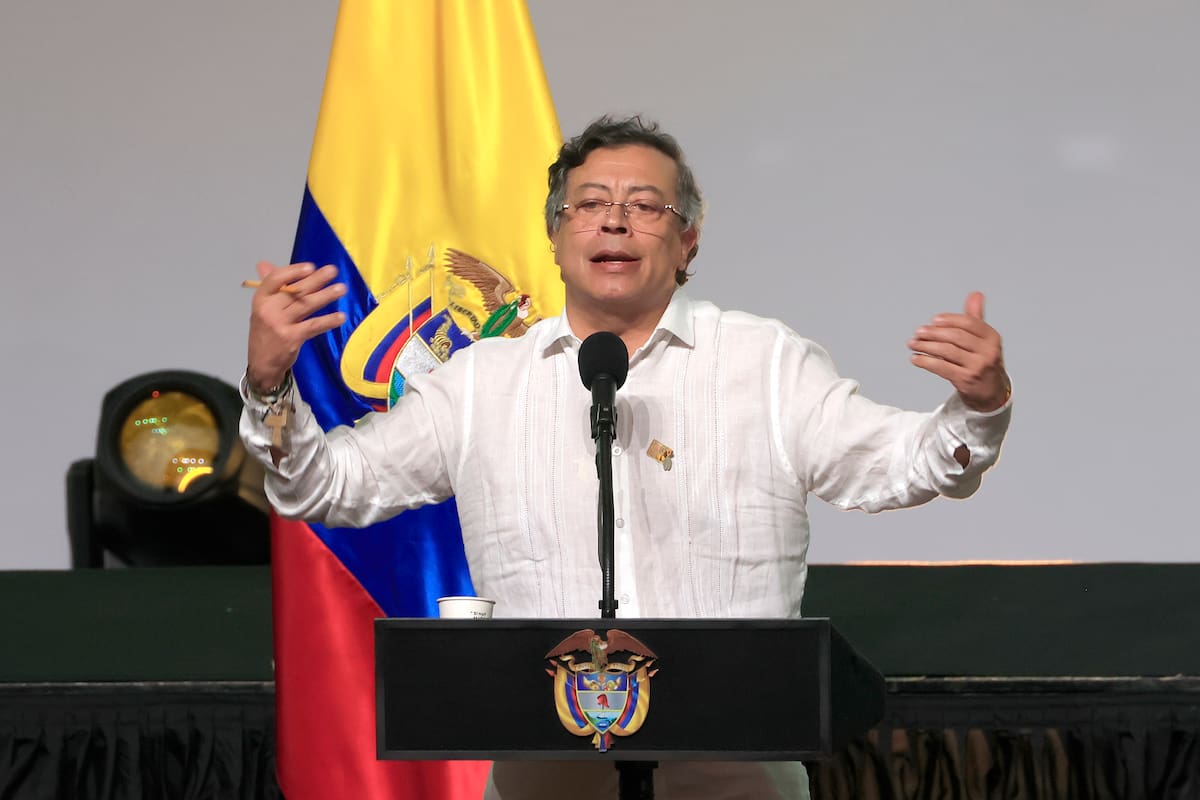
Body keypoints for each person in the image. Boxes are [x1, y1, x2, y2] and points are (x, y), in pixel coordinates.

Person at [241, 116, 1011, 800]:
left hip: (733, 770)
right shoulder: (482, 383)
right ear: (555, 235)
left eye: (646, 206)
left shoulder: (763, 363)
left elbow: (897, 463)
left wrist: (976, 407)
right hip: (545, 776)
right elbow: (325, 486)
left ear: (688, 241)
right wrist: (272, 385)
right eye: (590, 204)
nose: (615, 222)